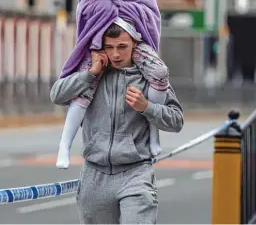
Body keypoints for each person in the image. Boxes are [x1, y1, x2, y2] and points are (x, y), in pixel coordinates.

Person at [56, 0, 170, 169]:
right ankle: (64, 145)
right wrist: (109, 7)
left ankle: (153, 132)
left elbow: (149, 14)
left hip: (133, 42)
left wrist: (113, 4)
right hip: (98, 41)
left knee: (159, 72)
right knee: (86, 84)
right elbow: (84, 11)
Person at [50, 20, 184, 224]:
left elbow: (176, 120)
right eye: (109, 47)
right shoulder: (91, 73)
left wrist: (146, 106)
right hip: (95, 176)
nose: (115, 54)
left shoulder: (150, 77)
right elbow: (57, 96)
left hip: (136, 173)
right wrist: (89, 74)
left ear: (135, 45)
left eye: (122, 47)